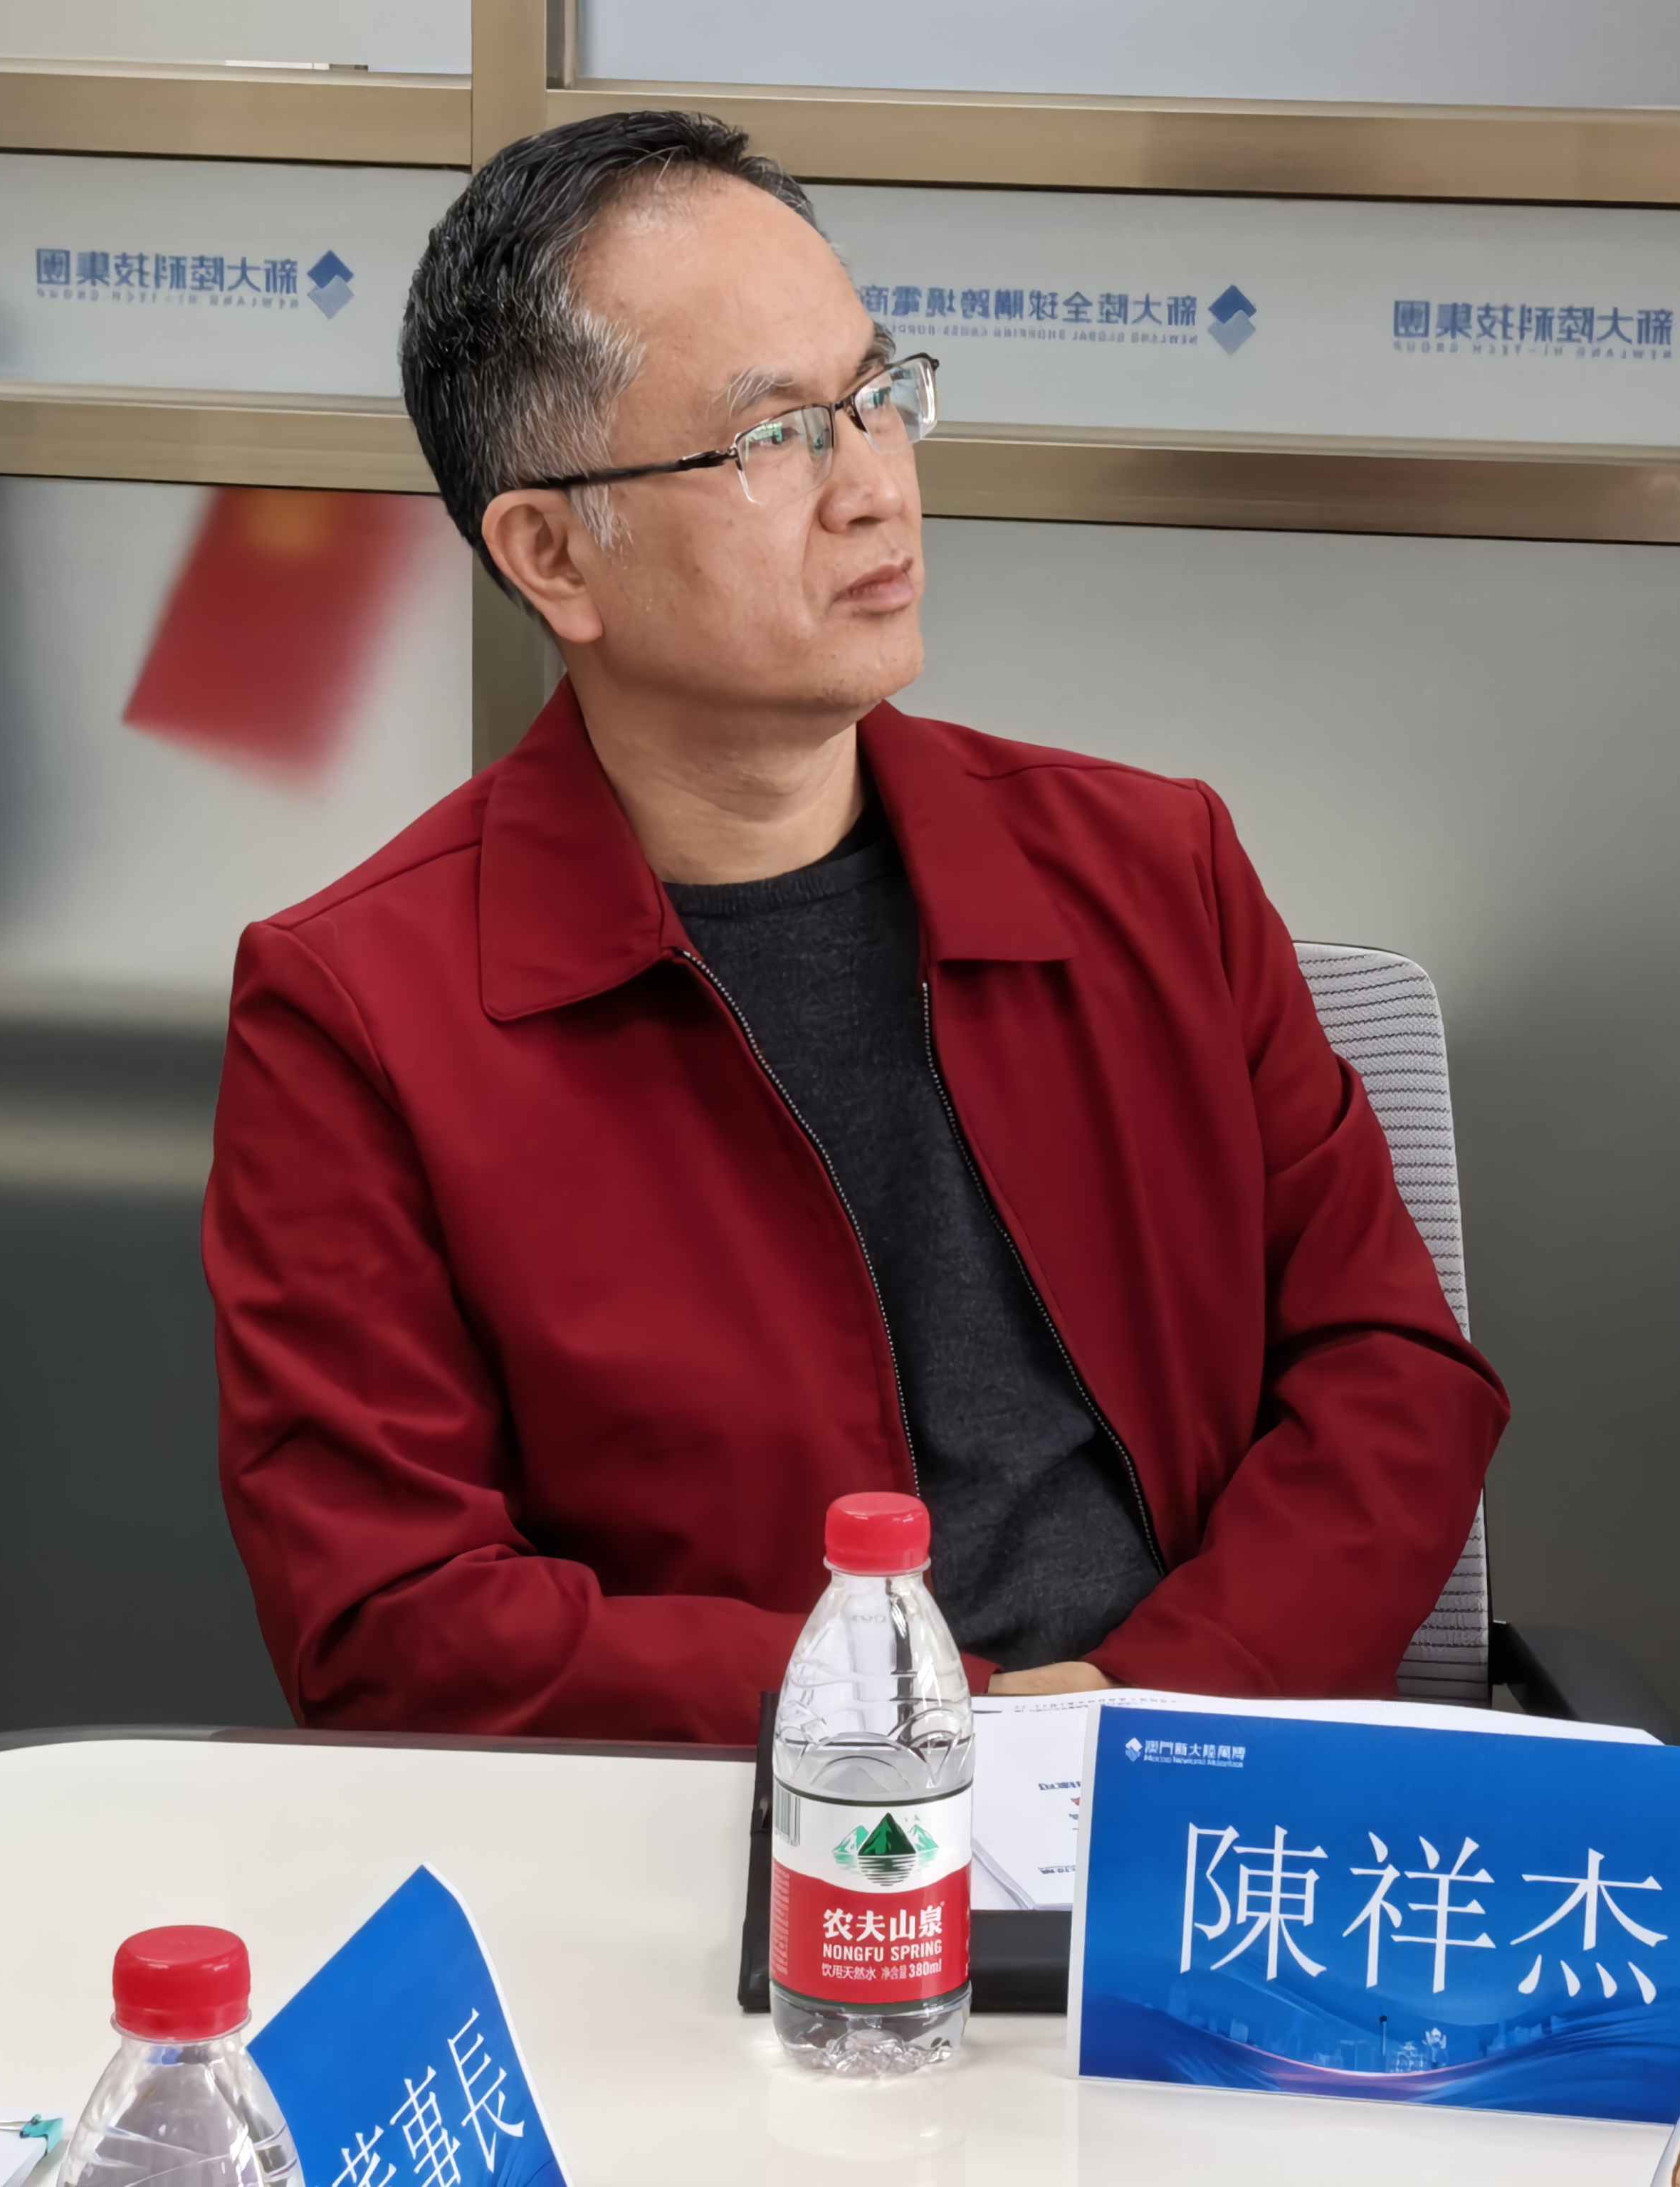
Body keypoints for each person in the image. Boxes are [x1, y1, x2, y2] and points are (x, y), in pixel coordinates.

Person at [204, 110, 1507, 1746]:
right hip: (722, 1829)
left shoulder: (1151, 869)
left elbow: (1390, 1376)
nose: (877, 485)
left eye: (878, 394)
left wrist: (1139, 1712)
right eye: (775, 438)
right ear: (551, 555)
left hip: (1187, 1780)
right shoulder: (357, 1012)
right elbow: (395, 1619)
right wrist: (922, 1732)